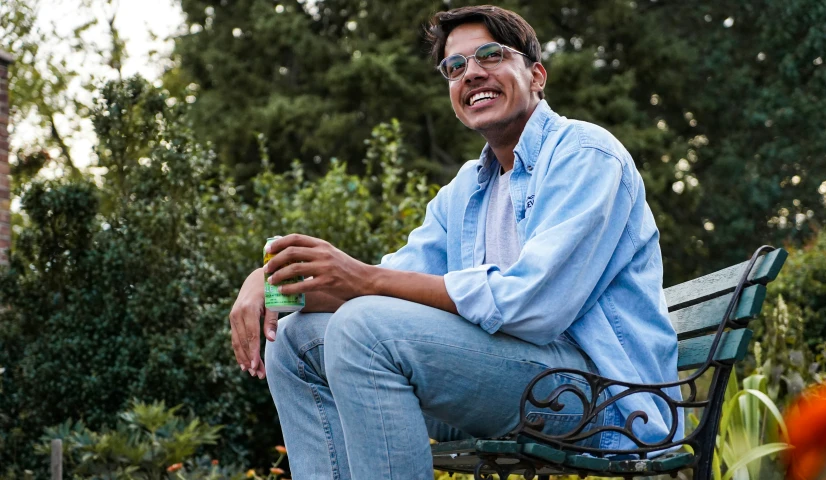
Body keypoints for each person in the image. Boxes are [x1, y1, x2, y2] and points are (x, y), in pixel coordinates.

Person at [229, 5, 682, 479]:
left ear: (537, 75)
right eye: (455, 66)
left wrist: (365, 280)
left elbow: (537, 305)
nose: (472, 73)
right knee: (295, 343)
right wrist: (269, 283)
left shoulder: (586, 155)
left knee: (365, 327)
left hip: (603, 403)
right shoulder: (465, 191)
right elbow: (380, 283)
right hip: (513, 386)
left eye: (490, 55)